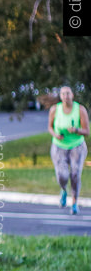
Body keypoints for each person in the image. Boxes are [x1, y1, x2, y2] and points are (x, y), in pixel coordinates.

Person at [48, 85, 89, 215]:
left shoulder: (80, 109)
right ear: (60, 96)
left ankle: (75, 203)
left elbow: (87, 131)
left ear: (72, 95)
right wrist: (55, 135)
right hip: (59, 147)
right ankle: (63, 190)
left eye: (68, 93)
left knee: (75, 174)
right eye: (63, 94)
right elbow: (49, 127)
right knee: (62, 175)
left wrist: (76, 130)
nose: (66, 96)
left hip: (77, 146)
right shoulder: (55, 109)